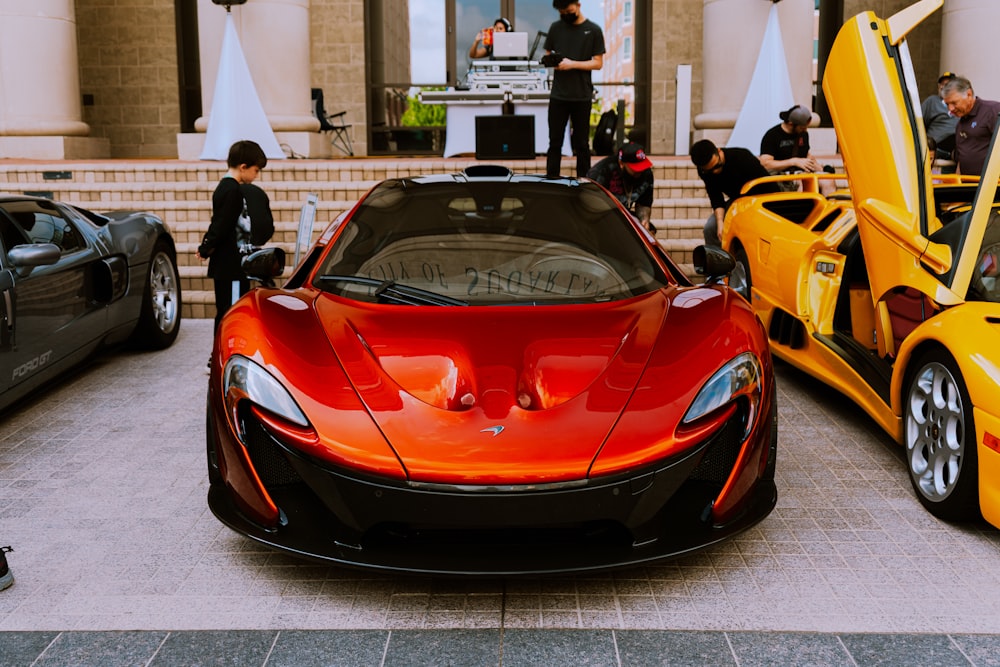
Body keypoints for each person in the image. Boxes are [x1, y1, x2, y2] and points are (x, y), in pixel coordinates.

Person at [196, 139, 269, 333]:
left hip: (230, 264)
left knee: (228, 308)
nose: (256, 175)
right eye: (256, 170)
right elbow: (220, 224)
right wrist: (205, 247)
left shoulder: (227, 188)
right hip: (231, 265)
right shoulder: (232, 191)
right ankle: (227, 351)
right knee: (232, 311)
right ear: (243, 167)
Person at [543, 1, 605, 178]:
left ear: (577, 5)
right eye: (561, 12)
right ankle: (552, 181)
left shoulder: (593, 30)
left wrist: (572, 64)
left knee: (582, 144)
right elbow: (548, 55)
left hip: (582, 95)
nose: (565, 14)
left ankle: (584, 183)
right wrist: (554, 63)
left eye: (568, 10)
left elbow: (598, 63)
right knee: (555, 142)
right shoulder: (556, 28)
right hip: (558, 95)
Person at [690, 139, 780, 247]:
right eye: (710, 171)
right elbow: (715, 196)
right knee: (711, 228)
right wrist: (720, 222)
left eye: (717, 166)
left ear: (719, 151)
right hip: (737, 201)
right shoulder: (704, 171)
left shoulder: (741, 157)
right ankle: (716, 261)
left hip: (761, 197)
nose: (715, 172)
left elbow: (767, 185)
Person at [759, 105, 830, 193]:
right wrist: (793, 161)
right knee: (802, 183)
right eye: (802, 127)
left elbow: (806, 154)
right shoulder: (772, 135)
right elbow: (765, 163)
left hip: (802, 172)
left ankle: (830, 205)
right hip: (783, 175)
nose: (805, 130)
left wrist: (817, 167)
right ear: (790, 123)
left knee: (828, 181)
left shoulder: (803, 134)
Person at [587, 142, 655, 232]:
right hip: (599, 215)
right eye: (635, 169)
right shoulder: (602, 171)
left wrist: (644, 220)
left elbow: (644, 203)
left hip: (623, 213)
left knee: (650, 231)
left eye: (642, 167)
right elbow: (589, 204)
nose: (640, 172)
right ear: (621, 164)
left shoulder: (646, 173)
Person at [941, 75, 1000, 176]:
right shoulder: (960, 123)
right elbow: (961, 158)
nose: (950, 108)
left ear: (969, 94)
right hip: (968, 186)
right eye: (947, 104)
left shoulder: (992, 111)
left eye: (954, 103)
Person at [922, 72, 958, 161]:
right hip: (937, 148)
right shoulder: (932, 101)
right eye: (942, 84)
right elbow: (919, 125)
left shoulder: (960, 104)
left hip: (957, 148)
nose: (943, 87)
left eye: (948, 84)